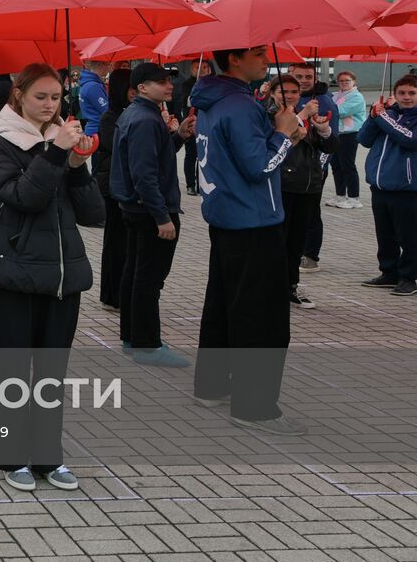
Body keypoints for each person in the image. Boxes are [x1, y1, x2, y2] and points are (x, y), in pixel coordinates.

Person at [0, 64, 104, 492]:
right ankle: (11, 456)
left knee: (52, 373)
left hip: (62, 277)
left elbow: (93, 213)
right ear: (18, 95)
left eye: (56, 97)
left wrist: (78, 164)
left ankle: (49, 456)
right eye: (41, 97)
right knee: (12, 371)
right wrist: (54, 155)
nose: (50, 105)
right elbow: (24, 197)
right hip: (13, 272)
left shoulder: (60, 140)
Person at [191, 46, 302, 435]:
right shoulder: (238, 104)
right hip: (254, 220)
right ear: (234, 59)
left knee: (223, 306)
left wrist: (280, 134)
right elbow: (259, 166)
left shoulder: (213, 99)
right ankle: (256, 407)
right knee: (262, 318)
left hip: (227, 215)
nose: (265, 60)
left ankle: (212, 385)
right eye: (257, 53)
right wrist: (283, 135)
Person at [113, 63, 194, 366]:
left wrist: (179, 136)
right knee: (149, 279)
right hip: (149, 210)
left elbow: (155, 158)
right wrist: (162, 216)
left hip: (136, 207)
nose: (169, 85)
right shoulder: (145, 119)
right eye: (161, 81)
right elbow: (145, 174)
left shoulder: (140, 114)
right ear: (142, 88)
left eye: (169, 80)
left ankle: (132, 337)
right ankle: (147, 345)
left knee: (135, 273)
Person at [270, 74, 335, 310]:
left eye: (294, 92)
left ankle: (291, 285)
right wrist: (301, 117)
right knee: (278, 240)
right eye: (283, 91)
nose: (289, 96)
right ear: (273, 94)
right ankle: (272, 287)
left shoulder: (307, 115)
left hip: (309, 186)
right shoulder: (270, 115)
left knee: (297, 241)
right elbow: (273, 144)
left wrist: (324, 130)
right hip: (282, 186)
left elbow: (330, 147)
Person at [357, 75, 417, 295]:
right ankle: (389, 272)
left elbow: (409, 139)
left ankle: (409, 277)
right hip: (380, 186)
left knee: (409, 236)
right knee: (385, 234)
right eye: (402, 93)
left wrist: (383, 117)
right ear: (395, 94)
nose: (406, 97)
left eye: (412, 93)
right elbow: (364, 139)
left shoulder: (395, 117)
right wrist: (373, 116)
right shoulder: (387, 114)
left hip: (407, 189)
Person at [93, 69, 132, 314]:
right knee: (115, 243)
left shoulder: (131, 113)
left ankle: (120, 293)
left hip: (126, 186)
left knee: (125, 243)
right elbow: (113, 145)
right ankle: (111, 295)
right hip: (112, 186)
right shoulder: (110, 117)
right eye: (130, 88)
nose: (134, 93)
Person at [328, 70, 367, 212]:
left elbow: (340, 111)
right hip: (336, 133)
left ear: (354, 82)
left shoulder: (356, 96)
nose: (344, 83)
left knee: (348, 166)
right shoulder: (336, 95)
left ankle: (354, 198)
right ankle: (340, 195)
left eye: (347, 80)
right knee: (336, 165)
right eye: (341, 81)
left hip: (350, 134)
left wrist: (326, 108)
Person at [178, 60, 212, 195]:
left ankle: (203, 183)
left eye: (205, 67)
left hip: (208, 123)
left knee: (207, 154)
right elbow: (186, 102)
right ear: (192, 70)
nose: (202, 70)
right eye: (198, 67)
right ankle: (190, 184)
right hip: (192, 123)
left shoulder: (213, 83)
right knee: (191, 154)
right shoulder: (188, 84)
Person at [77, 60, 111, 137]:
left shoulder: (87, 83)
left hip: (92, 129)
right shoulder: (93, 86)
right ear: (100, 65)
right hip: (98, 131)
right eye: (108, 64)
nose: (109, 68)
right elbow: (106, 110)